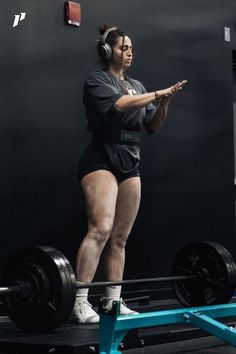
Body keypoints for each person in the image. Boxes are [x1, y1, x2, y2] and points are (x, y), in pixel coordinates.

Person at [72, 24, 187, 324]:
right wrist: (156, 93)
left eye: (132, 48)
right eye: (124, 48)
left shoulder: (137, 85)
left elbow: (153, 126)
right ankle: (79, 302)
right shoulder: (97, 80)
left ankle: (113, 301)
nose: (130, 53)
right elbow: (120, 105)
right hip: (101, 157)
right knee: (101, 229)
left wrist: (165, 102)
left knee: (120, 238)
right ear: (108, 51)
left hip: (130, 158)